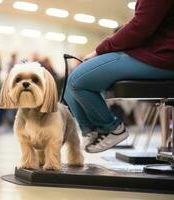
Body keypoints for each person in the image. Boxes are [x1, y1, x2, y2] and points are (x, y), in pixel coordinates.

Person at [64, 0, 174, 153]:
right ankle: (92, 131)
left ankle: (112, 128)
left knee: (77, 80)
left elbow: (141, 26)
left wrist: (100, 50)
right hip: (155, 53)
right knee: (71, 82)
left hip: (162, 57)